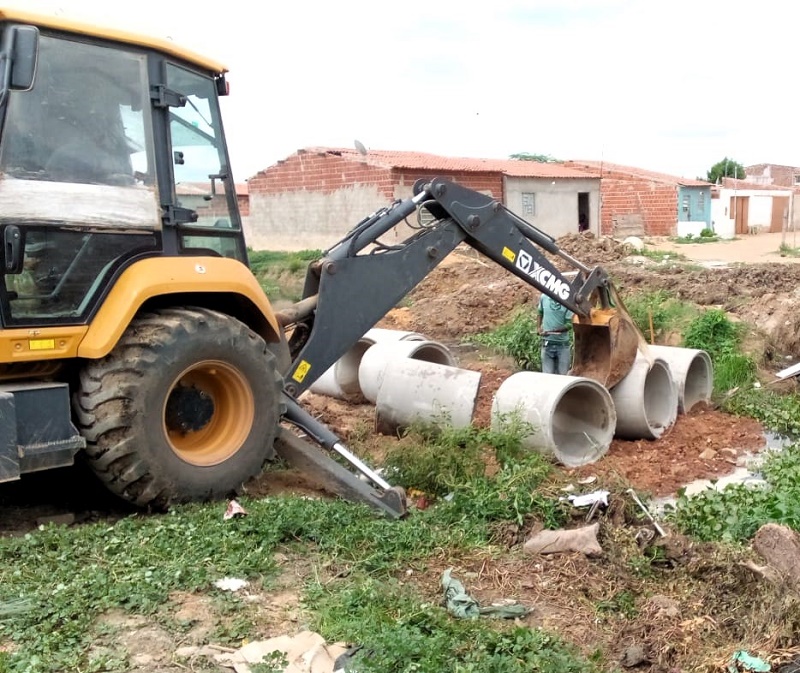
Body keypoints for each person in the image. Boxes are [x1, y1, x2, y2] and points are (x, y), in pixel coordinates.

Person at [537, 294, 574, 375]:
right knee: (547, 377)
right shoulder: (544, 297)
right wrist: (539, 328)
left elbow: (569, 324)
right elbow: (540, 312)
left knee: (563, 377)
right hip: (547, 344)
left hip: (562, 346)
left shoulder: (567, 301)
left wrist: (556, 330)